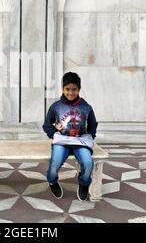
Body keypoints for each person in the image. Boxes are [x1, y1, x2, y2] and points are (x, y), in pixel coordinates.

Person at [42, 72, 98, 201]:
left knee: (88, 163)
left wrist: (90, 136)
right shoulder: (56, 107)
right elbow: (46, 125)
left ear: (79, 89)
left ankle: (84, 183)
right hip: (62, 141)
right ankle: (52, 182)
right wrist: (53, 134)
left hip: (81, 141)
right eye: (67, 89)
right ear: (62, 89)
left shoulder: (86, 107)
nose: (71, 93)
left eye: (74, 90)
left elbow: (93, 124)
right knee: (54, 164)